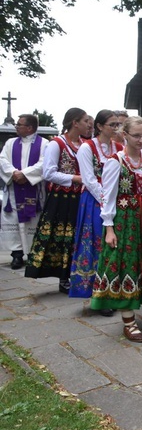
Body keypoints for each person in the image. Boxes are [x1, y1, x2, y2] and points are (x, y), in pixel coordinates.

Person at [90, 116, 142, 342]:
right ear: (125, 135)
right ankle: (129, 320)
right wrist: (109, 228)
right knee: (123, 265)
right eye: (137, 136)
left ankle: (132, 309)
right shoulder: (115, 161)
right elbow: (107, 196)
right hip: (123, 220)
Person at [25, 108, 88, 293]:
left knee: (78, 236)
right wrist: (74, 178)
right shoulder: (56, 144)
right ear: (74, 122)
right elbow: (48, 173)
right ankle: (63, 276)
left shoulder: (84, 144)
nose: (87, 124)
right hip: (61, 198)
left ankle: (77, 272)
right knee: (62, 237)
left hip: (81, 197)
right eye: (84, 121)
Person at [69, 110, 123, 308]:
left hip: (115, 200)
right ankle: (95, 292)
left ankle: (112, 289)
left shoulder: (118, 147)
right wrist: (106, 198)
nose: (116, 128)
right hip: (93, 201)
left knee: (113, 244)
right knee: (94, 243)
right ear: (100, 126)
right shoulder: (87, 148)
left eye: (118, 125)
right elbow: (89, 179)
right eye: (112, 125)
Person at [0, 114, 48, 270]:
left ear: (30, 128)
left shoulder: (44, 144)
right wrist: (14, 173)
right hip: (14, 191)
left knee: (32, 223)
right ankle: (17, 255)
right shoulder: (10, 143)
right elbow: (2, 160)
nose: (16, 127)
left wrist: (25, 175)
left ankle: (34, 255)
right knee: (13, 221)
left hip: (33, 191)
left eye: (19, 124)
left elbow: (44, 163)